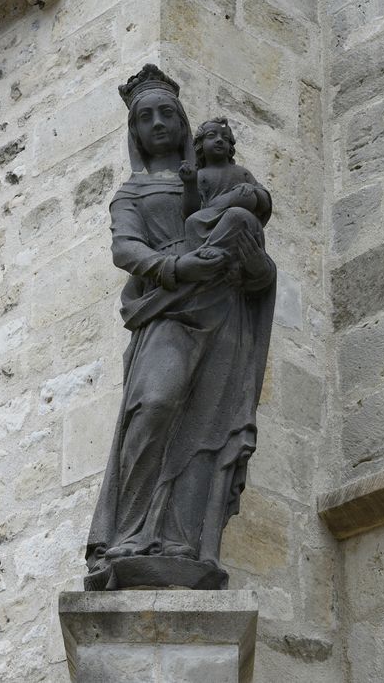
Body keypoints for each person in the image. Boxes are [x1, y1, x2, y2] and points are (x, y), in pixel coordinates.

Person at [85, 65, 276, 590]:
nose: (158, 123)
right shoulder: (131, 192)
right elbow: (127, 248)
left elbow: (253, 218)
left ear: (183, 120)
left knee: (209, 421)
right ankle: (128, 534)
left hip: (222, 306)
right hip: (167, 305)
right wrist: (174, 268)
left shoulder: (216, 178)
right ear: (135, 131)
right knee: (157, 402)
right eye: (145, 117)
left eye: (167, 113)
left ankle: (183, 541)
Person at [179, 118, 271, 275]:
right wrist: (189, 184)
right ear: (200, 145)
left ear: (230, 147)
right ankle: (210, 249)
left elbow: (265, 202)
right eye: (211, 136)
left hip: (241, 222)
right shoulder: (200, 175)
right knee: (192, 222)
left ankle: (215, 248)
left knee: (236, 212)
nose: (219, 140)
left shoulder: (242, 172)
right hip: (211, 220)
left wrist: (251, 190)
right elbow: (191, 211)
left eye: (225, 138)